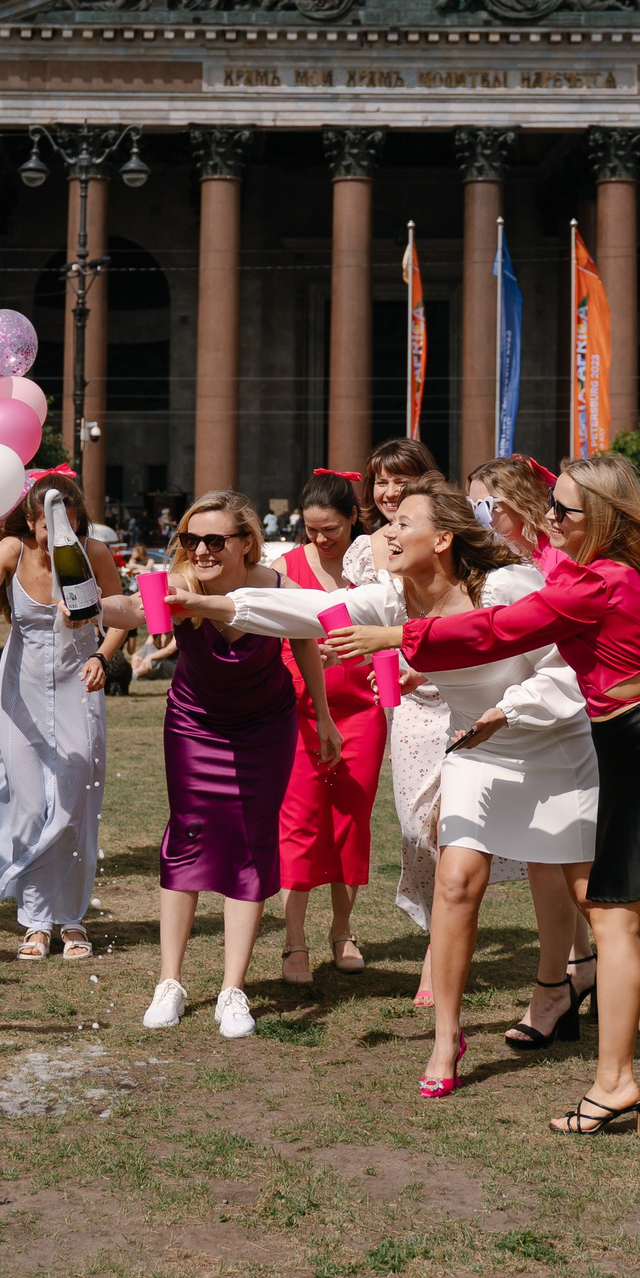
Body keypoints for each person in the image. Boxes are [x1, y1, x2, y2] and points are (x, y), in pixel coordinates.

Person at [336, 453, 640, 1138]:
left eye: (562, 510)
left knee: (612, 915)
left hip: (639, 744)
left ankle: (615, 1084)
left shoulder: (600, 583)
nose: (550, 518)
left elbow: (498, 630)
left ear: (599, 517)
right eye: (547, 507)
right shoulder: (619, 572)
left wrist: (397, 635)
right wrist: (522, 527)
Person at [194, 478, 591, 1096]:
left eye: (405, 522)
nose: (389, 532)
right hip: (474, 750)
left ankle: (575, 994)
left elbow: (566, 666)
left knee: (581, 886)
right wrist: (214, 606)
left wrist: (509, 711)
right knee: (456, 880)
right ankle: (445, 1037)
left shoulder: (507, 585)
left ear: (445, 538)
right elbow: (308, 613)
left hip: (548, 744)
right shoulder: (393, 594)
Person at [469, 455, 640, 1080]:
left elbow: (532, 644)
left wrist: (406, 642)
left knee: (601, 896)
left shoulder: (566, 566)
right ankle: (561, 987)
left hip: (578, 732)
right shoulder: (520, 565)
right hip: (535, 735)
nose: (480, 518)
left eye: (484, 506)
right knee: (554, 877)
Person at [97, 492, 325, 1039]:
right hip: (195, 725)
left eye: (214, 540)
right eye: (190, 539)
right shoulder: (176, 584)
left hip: (264, 727)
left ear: (246, 543)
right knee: (189, 835)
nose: (200, 549)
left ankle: (232, 990)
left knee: (252, 840)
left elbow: (310, 639)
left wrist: (327, 719)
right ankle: (169, 982)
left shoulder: (275, 587)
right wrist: (81, 605)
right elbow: (131, 610)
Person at [0, 472, 127, 961]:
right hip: (20, 692)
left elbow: (118, 616)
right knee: (28, 805)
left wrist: (101, 657)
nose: (59, 538)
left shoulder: (93, 554)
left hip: (78, 685)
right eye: (51, 528)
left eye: (69, 526)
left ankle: (70, 918)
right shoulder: (11, 550)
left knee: (73, 802)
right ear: (31, 523)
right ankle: (35, 922)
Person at [334, 439, 469, 1004]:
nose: (389, 493)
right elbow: (355, 616)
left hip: (461, 694)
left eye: (401, 480)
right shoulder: (365, 551)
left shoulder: (449, 533)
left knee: (451, 827)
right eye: (381, 482)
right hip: (407, 703)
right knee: (417, 829)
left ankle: (438, 960)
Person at [269, 470, 389, 982]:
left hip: (362, 711)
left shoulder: (373, 567)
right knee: (297, 824)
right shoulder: (284, 567)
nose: (319, 539)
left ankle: (343, 931)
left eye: (330, 530)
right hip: (298, 713)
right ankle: (294, 942)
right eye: (311, 529)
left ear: (353, 521)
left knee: (350, 822)